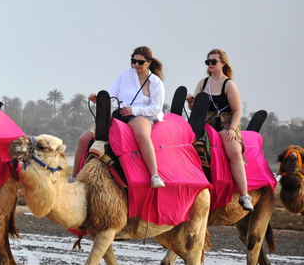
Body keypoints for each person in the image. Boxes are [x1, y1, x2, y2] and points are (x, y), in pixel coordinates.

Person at [71, 46, 166, 188]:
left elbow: (156, 108)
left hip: (142, 115)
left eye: (140, 62)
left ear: (149, 63)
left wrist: (132, 110)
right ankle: (73, 177)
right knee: (83, 139)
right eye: (134, 61)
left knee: (141, 134)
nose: (136, 65)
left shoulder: (156, 82)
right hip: (120, 114)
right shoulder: (124, 75)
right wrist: (99, 98)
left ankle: (154, 175)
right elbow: (111, 95)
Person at [186, 49, 253, 211]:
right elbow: (196, 109)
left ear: (222, 63)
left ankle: (244, 196)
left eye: (213, 61)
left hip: (226, 123)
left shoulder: (228, 84)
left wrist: (231, 129)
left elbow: (237, 110)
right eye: (208, 61)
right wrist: (190, 102)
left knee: (234, 151)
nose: (210, 64)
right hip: (205, 123)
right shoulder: (203, 83)